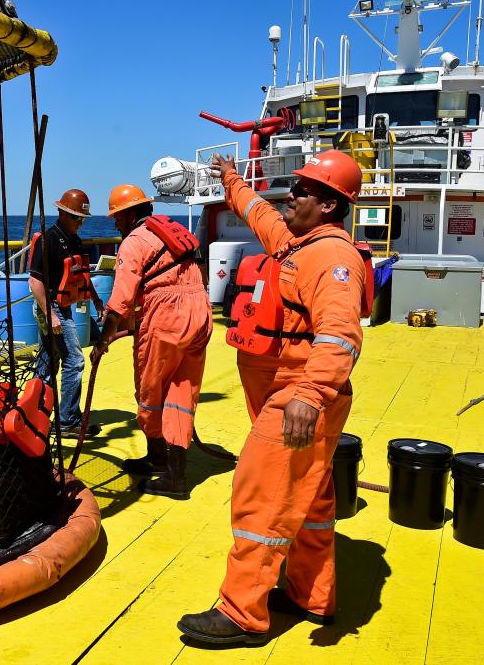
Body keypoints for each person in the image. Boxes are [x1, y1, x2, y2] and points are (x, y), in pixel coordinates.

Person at [177, 150, 366, 646]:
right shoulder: (297, 244)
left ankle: (242, 613)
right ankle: (312, 595)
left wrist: (311, 393)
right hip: (286, 391)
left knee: (261, 496)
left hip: (297, 398)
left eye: (303, 190)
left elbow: (340, 334)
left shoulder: (332, 258)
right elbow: (258, 211)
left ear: (328, 205)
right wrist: (230, 180)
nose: (292, 194)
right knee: (313, 500)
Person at [91, 184, 211, 500]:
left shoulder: (134, 241)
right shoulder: (173, 231)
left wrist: (103, 339)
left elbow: (121, 300)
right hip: (200, 310)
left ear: (130, 214)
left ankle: (166, 467)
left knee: (151, 389)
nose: (115, 224)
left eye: (117, 217)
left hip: (167, 316)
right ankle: (170, 467)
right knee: (182, 390)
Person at [28, 188, 103, 437]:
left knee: (48, 362)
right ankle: (68, 420)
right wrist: (50, 314)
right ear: (62, 213)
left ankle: (37, 412)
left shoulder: (74, 241)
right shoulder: (47, 240)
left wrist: (97, 300)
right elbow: (35, 282)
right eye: (76, 218)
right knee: (74, 359)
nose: (80, 223)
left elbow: (81, 275)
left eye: (83, 219)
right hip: (51, 307)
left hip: (65, 307)